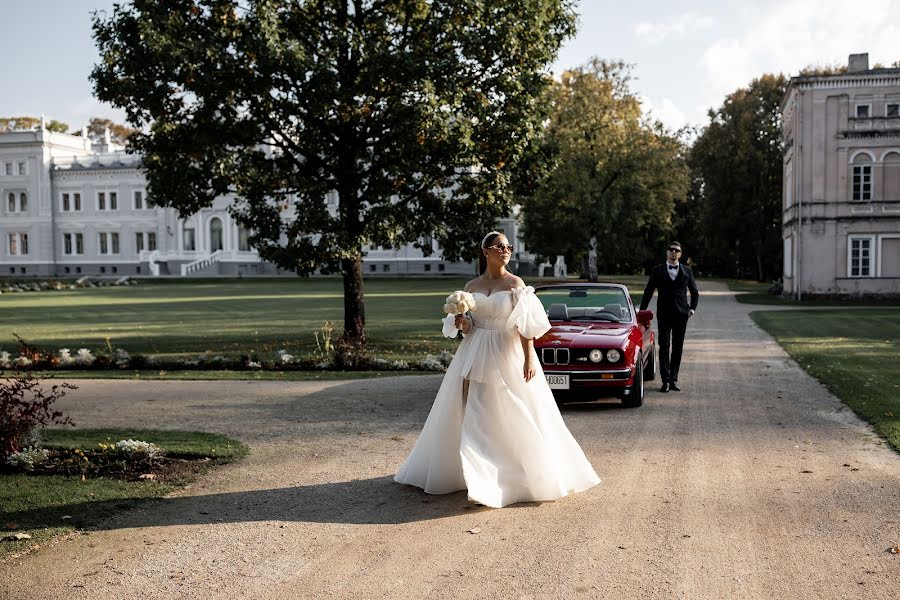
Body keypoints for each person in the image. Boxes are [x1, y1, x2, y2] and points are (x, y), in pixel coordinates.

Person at [394, 231, 600, 508]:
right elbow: (470, 328)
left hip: (507, 351)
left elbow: (525, 326)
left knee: (510, 410)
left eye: (508, 246)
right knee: (473, 409)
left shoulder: (516, 283)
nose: (506, 250)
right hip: (475, 350)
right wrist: (460, 322)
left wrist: (529, 358)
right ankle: (478, 476)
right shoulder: (471, 285)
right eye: (499, 246)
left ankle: (508, 474)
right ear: (486, 252)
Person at [639, 241, 699, 393]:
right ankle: (665, 381)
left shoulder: (687, 271)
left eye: (676, 250)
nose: (673, 252)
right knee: (664, 346)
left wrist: (691, 310)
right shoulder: (657, 271)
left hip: (681, 315)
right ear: (667, 252)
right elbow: (649, 291)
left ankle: (674, 380)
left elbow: (694, 292)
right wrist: (641, 312)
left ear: (680, 254)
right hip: (664, 314)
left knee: (677, 347)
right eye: (671, 250)